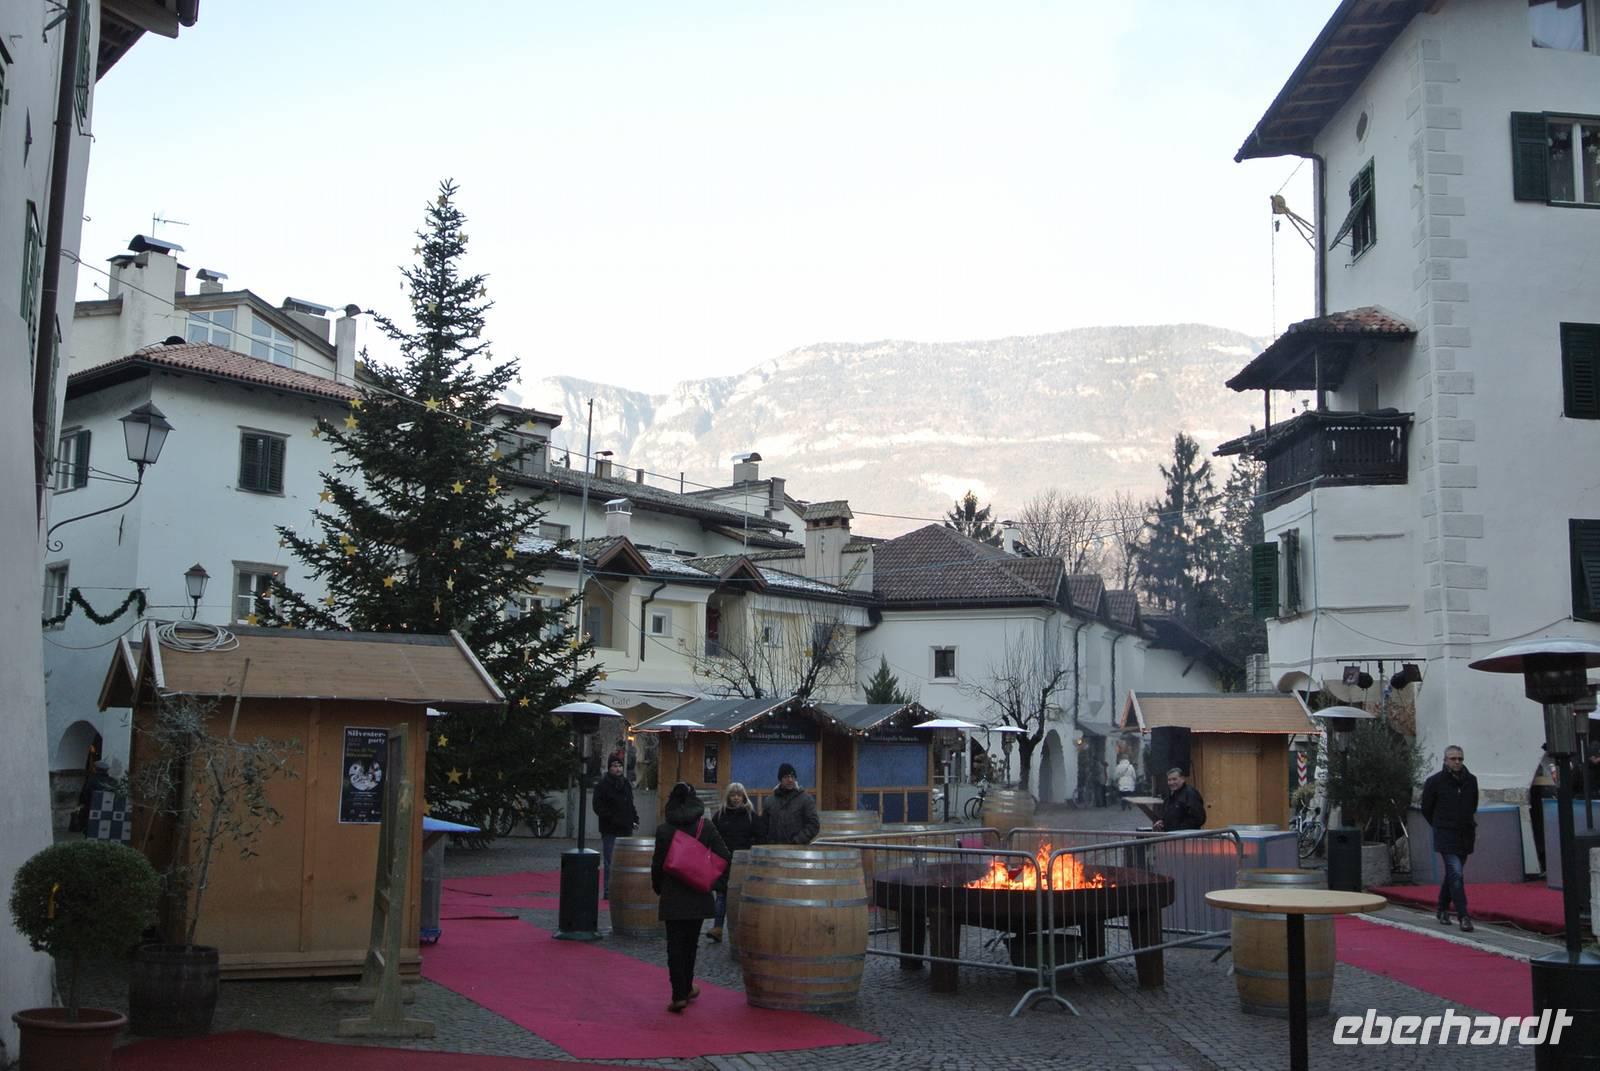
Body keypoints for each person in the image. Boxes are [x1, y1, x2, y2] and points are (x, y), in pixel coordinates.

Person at [651, 782, 730, 1013]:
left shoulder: (664, 830)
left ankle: (678, 995)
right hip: (698, 893)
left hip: (673, 894)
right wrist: (714, 883)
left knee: (674, 944)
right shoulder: (705, 827)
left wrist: (659, 887)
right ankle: (686, 987)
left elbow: (657, 864)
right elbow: (724, 855)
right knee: (690, 944)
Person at [1421, 744, 1478, 932]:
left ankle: (1442, 907)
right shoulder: (1435, 782)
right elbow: (1427, 808)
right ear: (1445, 760)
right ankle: (1463, 916)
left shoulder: (1471, 781)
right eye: (1453, 758)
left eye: (1460, 758)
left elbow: (1472, 805)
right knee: (1456, 873)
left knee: (1454, 873)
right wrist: (1440, 824)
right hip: (1446, 833)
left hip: (1465, 834)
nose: (1457, 762)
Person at [706, 782, 757, 942]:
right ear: (728, 797)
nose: (736, 798)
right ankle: (718, 928)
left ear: (743, 797)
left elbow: (758, 836)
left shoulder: (751, 815)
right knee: (721, 895)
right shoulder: (720, 815)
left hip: (743, 861)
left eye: (739, 795)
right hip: (724, 861)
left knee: (741, 897)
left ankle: (741, 930)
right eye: (733, 795)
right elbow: (712, 836)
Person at [592, 756, 638, 898]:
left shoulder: (625, 784)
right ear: (609, 768)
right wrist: (612, 818)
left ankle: (622, 889)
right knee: (610, 861)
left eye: (619, 765)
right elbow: (598, 807)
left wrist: (634, 818)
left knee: (624, 860)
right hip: (610, 829)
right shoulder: (602, 785)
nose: (617, 769)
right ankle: (609, 890)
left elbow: (630, 804)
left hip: (625, 827)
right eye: (614, 766)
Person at [762, 762, 819, 845]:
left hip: (798, 851)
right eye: (786, 777)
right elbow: (764, 826)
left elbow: (813, 825)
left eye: (792, 776)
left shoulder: (806, 799)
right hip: (775, 851)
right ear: (780, 780)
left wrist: (797, 840)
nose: (790, 780)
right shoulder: (770, 801)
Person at [1152, 767, 1206, 831]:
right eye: (1169, 780)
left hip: (1186, 837)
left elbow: (1199, 818)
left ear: (1182, 779)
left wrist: (1178, 829)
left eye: (1174, 779)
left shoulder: (1190, 794)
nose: (1171, 782)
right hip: (1171, 836)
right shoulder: (1170, 796)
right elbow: (1171, 815)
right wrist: (1162, 822)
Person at [73, 760, 116, 834]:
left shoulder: (91, 780)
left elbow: (84, 795)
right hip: (109, 811)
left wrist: (81, 804)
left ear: (95, 769)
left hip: (92, 810)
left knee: (91, 831)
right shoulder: (113, 781)